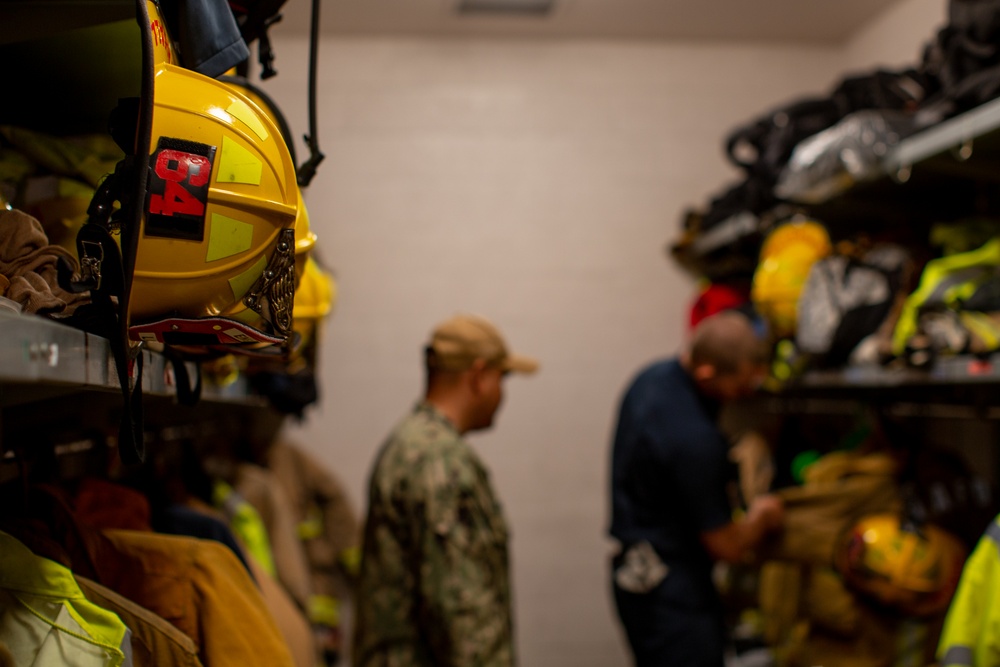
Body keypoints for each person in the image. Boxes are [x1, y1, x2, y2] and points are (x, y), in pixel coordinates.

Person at [353, 313, 539, 667]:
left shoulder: (408, 443)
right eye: (503, 377)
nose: (503, 392)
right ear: (479, 376)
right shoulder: (442, 462)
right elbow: (464, 611)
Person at [608, 309, 785, 667]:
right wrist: (764, 518)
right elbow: (727, 546)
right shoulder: (693, 440)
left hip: (633, 573)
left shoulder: (649, 380)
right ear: (706, 372)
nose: (742, 396)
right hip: (673, 596)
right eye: (739, 386)